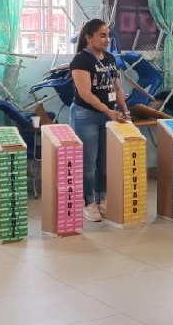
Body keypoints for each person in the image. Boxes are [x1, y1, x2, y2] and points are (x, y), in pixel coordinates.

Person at [70, 18, 130, 222]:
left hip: (109, 117)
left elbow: (117, 87)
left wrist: (124, 109)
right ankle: (88, 202)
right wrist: (108, 111)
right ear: (89, 37)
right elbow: (85, 93)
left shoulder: (110, 59)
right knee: (88, 163)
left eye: (108, 35)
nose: (106, 39)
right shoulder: (81, 60)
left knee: (104, 163)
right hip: (86, 116)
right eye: (102, 35)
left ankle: (102, 199)